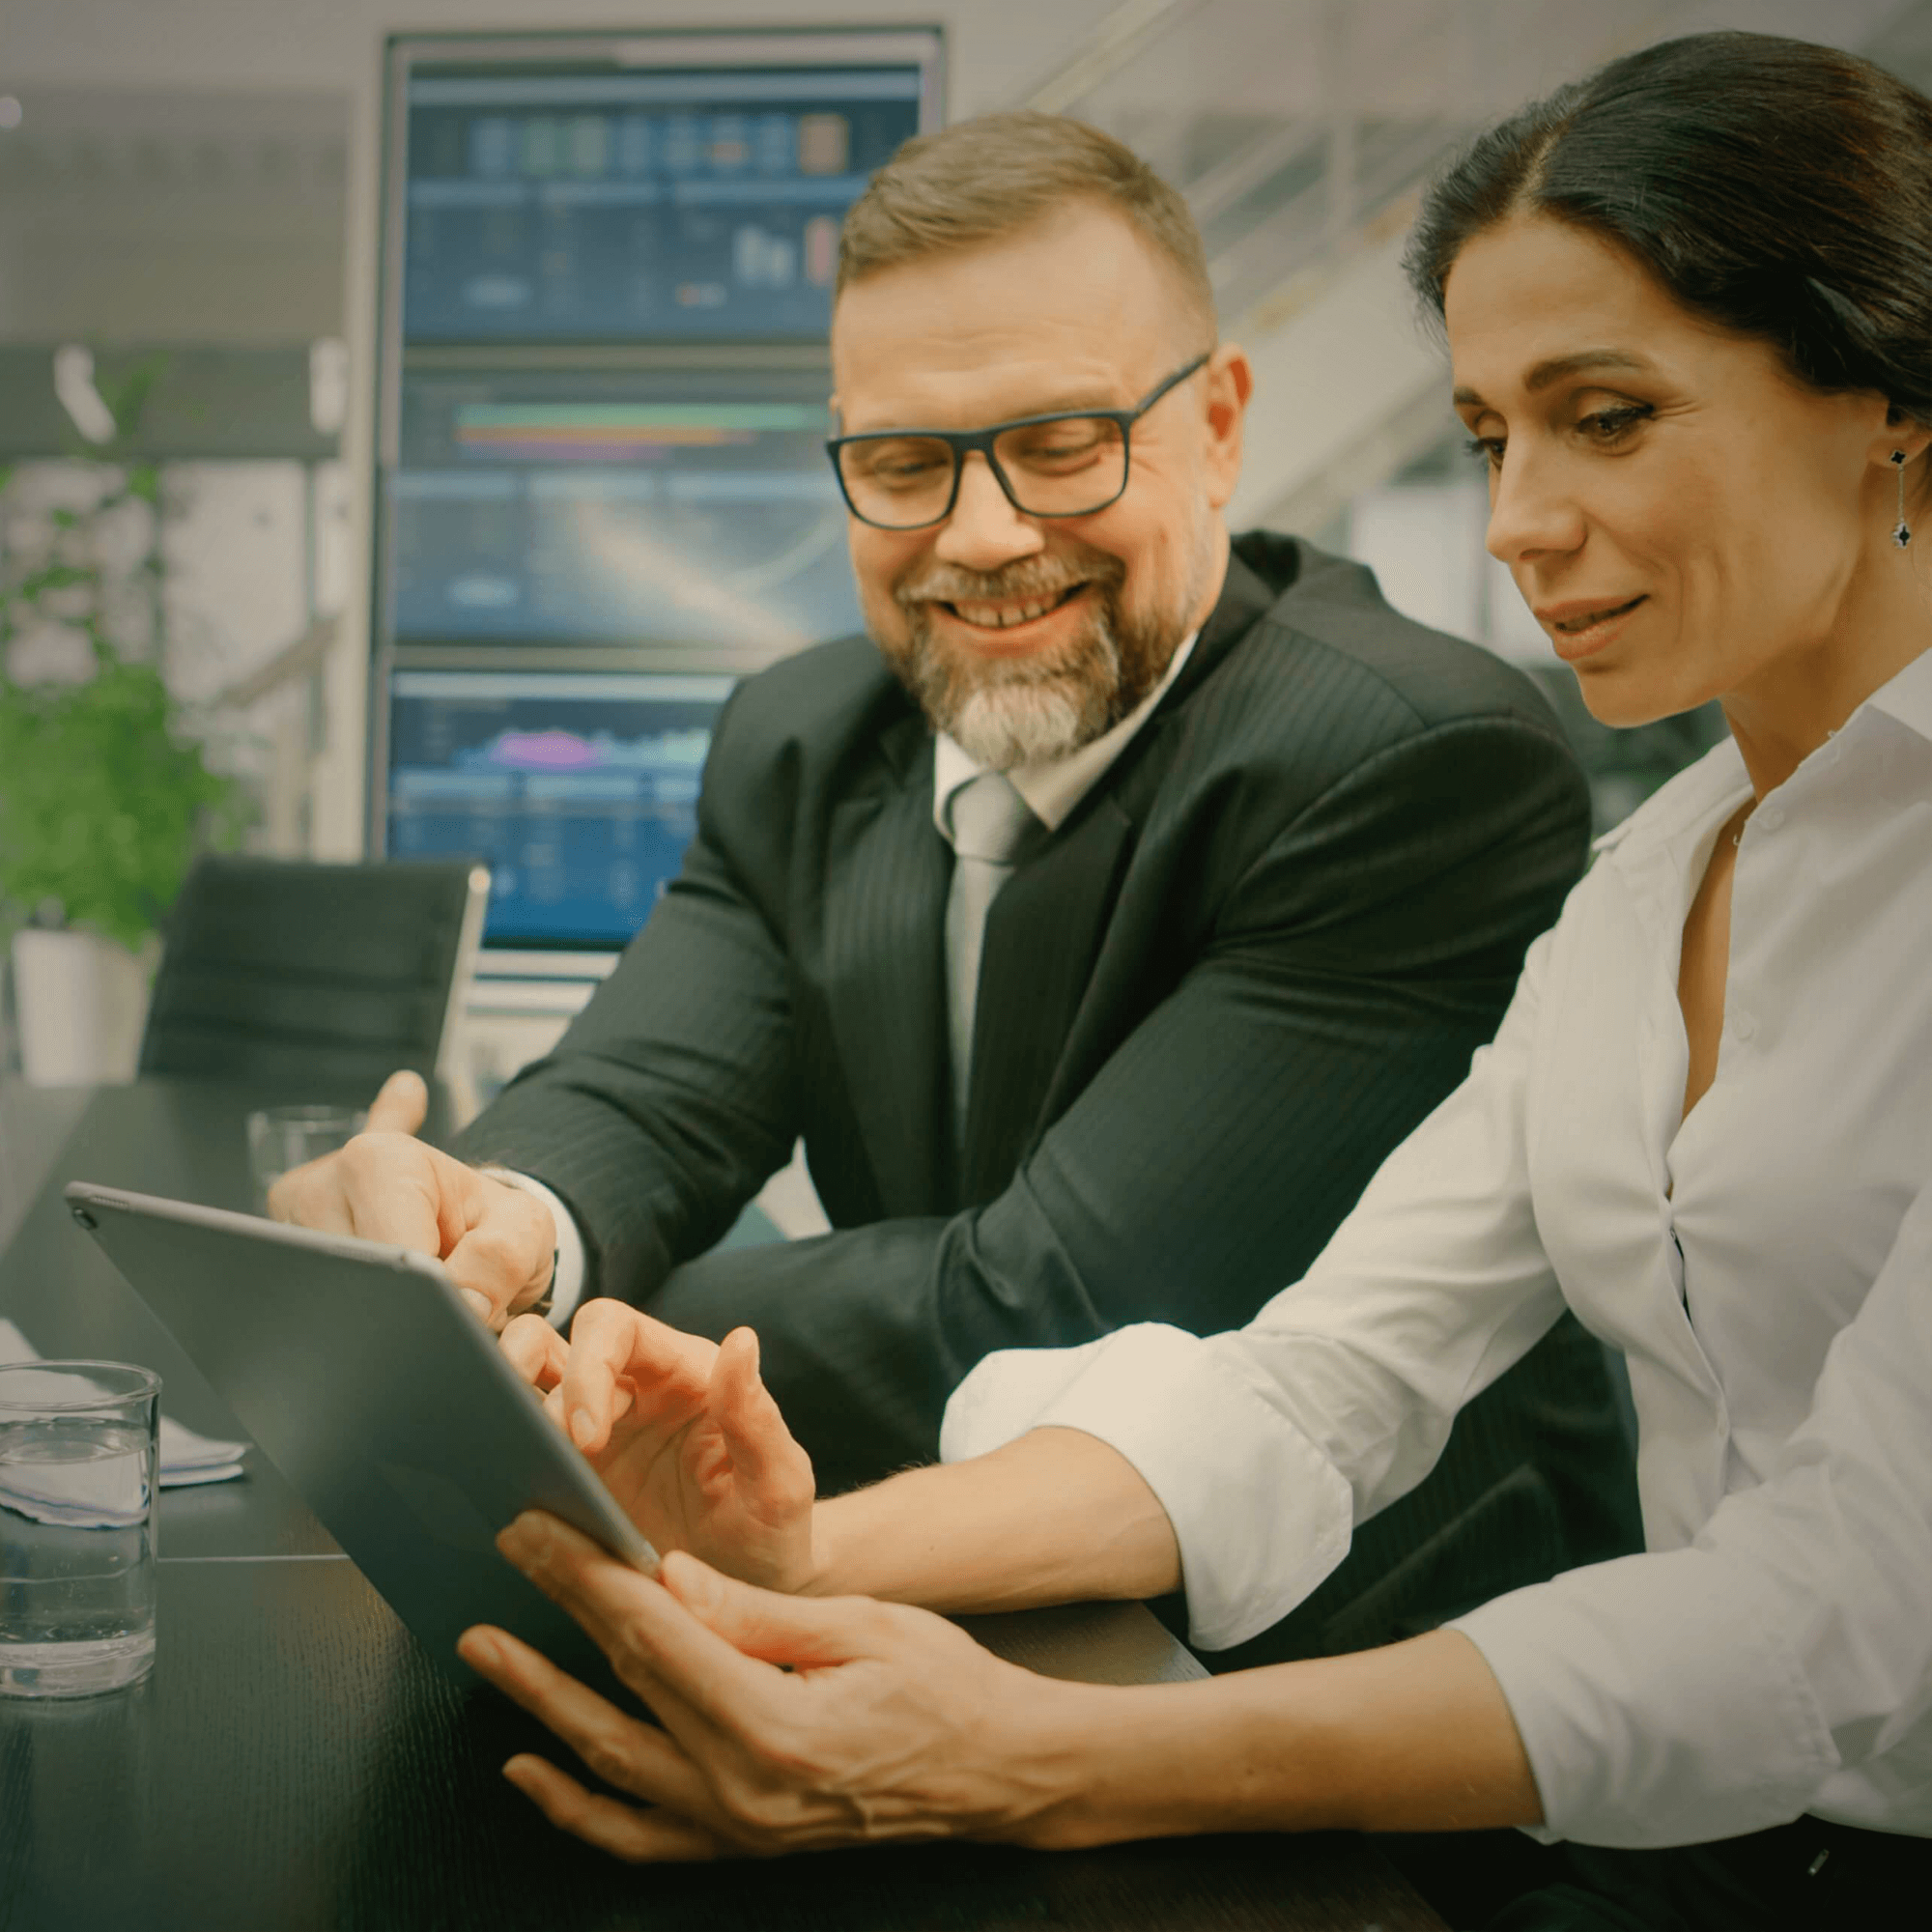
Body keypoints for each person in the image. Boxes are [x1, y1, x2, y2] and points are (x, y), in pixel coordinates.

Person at [452, 32, 1931, 1929]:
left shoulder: (1424, 758)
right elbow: (1317, 1384)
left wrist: (1038, 1762)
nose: (1514, 521)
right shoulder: (1650, 887)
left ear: (1886, 390)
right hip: (1669, 1833)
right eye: (1491, 435)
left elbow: (1852, 1600)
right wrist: (795, 1555)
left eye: (1608, 415)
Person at [279, 112, 1638, 1656]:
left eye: (1063, 443)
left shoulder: (1410, 762)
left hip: (1372, 1712)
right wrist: (487, 1236)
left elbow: (1054, 1297)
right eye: (906, 463)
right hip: (915, 1598)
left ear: (1222, 427)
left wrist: (576, 1351)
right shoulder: (803, 733)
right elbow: (651, 1099)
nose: (983, 537)